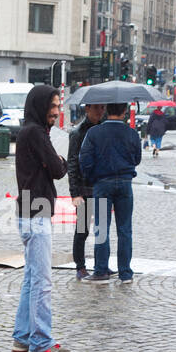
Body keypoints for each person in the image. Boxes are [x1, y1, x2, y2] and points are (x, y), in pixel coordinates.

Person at [13, 85, 70, 352]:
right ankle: (41, 342)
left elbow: (52, 166)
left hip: (28, 212)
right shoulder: (35, 132)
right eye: (54, 107)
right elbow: (58, 169)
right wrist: (60, 160)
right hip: (36, 214)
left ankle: (23, 337)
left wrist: (56, 161)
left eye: (59, 107)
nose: (57, 112)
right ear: (40, 106)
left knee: (31, 278)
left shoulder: (30, 131)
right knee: (42, 281)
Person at [79, 100, 143, 284]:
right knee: (125, 229)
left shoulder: (94, 133)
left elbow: (85, 160)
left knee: (102, 228)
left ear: (106, 109)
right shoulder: (131, 133)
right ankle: (125, 273)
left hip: (102, 183)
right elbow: (137, 158)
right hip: (125, 183)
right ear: (124, 111)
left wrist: (92, 176)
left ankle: (101, 270)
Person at [66, 101, 106, 280]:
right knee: (82, 229)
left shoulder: (105, 129)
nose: (100, 111)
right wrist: (75, 192)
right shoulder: (78, 132)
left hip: (101, 185)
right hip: (84, 187)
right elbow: (72, 163)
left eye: (103, 107)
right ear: (87, 109)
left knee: (102, 228)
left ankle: (101, 264)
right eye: (97, 107)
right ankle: (80, 266)